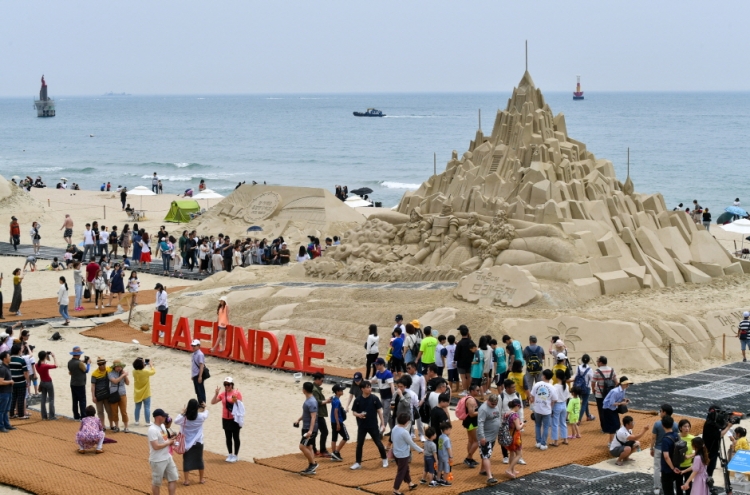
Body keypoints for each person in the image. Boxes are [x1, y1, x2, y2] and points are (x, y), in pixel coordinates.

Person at [350, 380, 388, 470]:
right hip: (362, 426)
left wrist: (383, 424)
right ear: (362, 389)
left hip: (373, 425)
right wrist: (359, 415)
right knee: (359, 444)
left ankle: (384, 459)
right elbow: (354, 412)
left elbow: (380, 412)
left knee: (378, 443)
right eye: (367, 387)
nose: (369, 389)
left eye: (370, 387)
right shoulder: (358, 400)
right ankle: (358, 462)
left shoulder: (374, 398)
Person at [174, 398, 209, 485]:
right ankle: (201, 479)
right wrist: (205, 407)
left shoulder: (184, 418)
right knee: (199, 460)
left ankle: (186, 480)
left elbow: (176, 421)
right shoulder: (200, 417)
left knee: (186, 460)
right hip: (198, 441)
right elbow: (206, 414)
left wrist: (182, 412)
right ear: (197, 407)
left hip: (186, 443)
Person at [211, 376, 243, 462]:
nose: (227, 386)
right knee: (228, 437)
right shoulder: (222, 394)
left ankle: (235, 455)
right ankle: (230, 454)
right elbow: (213, 402)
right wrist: (216, 394)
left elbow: (238, 405)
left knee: (235, 437)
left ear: (232, 385)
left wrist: (234, 397)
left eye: (228, 384)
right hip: (225, 418)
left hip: (234, 418)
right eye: (225, 385)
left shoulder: (237, 393)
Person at [651, 404, 679, 494]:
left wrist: (651, 448)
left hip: (659, 449)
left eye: (661, 411)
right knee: (670, 469)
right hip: (670, 451)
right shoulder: (675, 424)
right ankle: (671, 487)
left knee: (657, 468)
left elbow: (653, 438)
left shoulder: (657, 424)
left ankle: (657, 488)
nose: (660, 412)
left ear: (664, 412)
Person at [149, 408, 178, 495]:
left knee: (173, 478)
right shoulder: (152, 430)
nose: (165, 417)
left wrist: (171, 440)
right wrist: (168, 442)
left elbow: (164, 440)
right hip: (158, 460)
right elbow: (156, 446)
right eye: (163, 416)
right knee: (157, 483)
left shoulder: (162, 427)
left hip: (167, 457)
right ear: (158, 417)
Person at [392, 412, 422, 494]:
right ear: (406, 422)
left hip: (396, 453)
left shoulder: (394, 428)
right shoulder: (404, 432)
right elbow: (411, 443)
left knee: (405, 469)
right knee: (401, 472)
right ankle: (396, 490)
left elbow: (392, 439)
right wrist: (420, 450)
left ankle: (410, 483)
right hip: (403, 455)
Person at [703, 404, 734, 477]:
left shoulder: (713, 422)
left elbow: (721, 427)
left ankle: (708, 483)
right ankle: (706, 485)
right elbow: (719, 434)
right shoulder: (709, 424)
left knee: (711, 468)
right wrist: (728, 427)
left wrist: (726, 424)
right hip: (709, 450)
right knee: (709, 469)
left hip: (714, 449)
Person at [477, 392, 501, 485]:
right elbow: (480, 423)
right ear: (488, 401)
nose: (494, 406)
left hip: (493, 435)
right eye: (492, 404)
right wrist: (482, 436)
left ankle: (483, 470)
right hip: (485, 437)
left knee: (487, 454)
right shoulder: (483, 409)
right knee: (486, 455)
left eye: (495, 404)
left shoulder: (495, 406)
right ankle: (489, 477)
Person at [297, 382, 320, 474]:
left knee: (302, 446)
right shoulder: (309, 400)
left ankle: (313, 464)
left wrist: (310, 430)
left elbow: (313, 417)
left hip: (309, 429)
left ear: (304, 390)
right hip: (306, 427)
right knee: (309, 447)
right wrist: (299, 419)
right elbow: (306, 413)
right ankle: (312, 468)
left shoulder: (311, 402)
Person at [602, 376, 633, 443]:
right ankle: (611, 442)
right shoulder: (615, 391)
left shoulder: (623, 390)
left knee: (616, 424)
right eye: (626, 384)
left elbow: (620, 398)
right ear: (622, 384)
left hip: (613, 408)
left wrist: (625, 400)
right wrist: (622, 403)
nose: (628, 385)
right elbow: (612, 403)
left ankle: (614, 441)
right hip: (608, 409)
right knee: (613, 426)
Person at [530, 369, 554, 450]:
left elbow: (532, 396)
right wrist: (550, 406)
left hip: (537, 409)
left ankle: (538, 442)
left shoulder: (537, 384)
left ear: (544, 376)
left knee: (537, 425)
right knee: (546, 427)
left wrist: (533, 404)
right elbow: (555, 399)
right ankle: (543, 444)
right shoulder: (552, 387)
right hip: (547, 410)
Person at [593, 356, 616, 432]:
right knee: (611, 410)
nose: (597, 363)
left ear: (601, 362)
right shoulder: (612, 370)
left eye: (598, 361)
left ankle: (604, 428)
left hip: (600, 395)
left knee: (601, 411)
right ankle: (612, 426)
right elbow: (616, 382)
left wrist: (594, 391)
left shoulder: (597, 371)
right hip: (610, 394)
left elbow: (593, 382)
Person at [311, 372, 331, 457]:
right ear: (317, 380)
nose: (322, 382)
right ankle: (322, 450)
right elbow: (317, 402)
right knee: (324, 432)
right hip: (318, 414)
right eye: (322, 380)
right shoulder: (315, 390)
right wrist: (326, 401)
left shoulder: (315, 388)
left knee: (315, 433)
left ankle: (314, 450)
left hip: (316, 414)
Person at [373, 357, 395, 431]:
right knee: (388, 415)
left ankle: (380, 431)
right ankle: (393, 430)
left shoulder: (388, 374)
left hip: (388, 398)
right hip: (382, 397)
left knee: (385, 414)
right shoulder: (378, 373)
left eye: (377, 365)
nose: (376, 366)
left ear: (382, 365)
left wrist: (393, 400)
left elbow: (392, 386)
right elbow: (372, 380)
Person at [108, 359, 130, 432]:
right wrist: (123, 375)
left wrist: (125, 376)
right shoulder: (110, 373)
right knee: (114, 411)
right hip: (114, 393)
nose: (119, 368)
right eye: (117, 366)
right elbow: (115, 381)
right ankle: (117, 426)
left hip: (122, 393)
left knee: (124, 411)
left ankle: (126, 427)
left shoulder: (122, 373)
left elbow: (127, 383)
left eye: (120, 366)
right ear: (114, 367)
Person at [133, 357, 155, 426]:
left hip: (137, 393)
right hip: (146, 393)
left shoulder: (134, 372)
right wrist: (151, 365)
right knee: (147, 407)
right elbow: (153, 372)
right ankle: (147, 422)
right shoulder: (145, 372)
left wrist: (142, 365)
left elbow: (139, 370)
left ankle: (136, 421)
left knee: (137, 408)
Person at [574, 354, 595, 423]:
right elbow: (592, 379)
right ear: (589, 360)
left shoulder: (578, 367)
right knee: (584, 402)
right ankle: (579, 419)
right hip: (586, 388)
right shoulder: (589, 369)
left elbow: (576, 376)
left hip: (578, 387)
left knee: (584, 401)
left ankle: (588, 416)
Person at [551, 368, 570, 446]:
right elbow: (567, 397)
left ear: (557, 376)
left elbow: (554, 399)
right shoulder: (566, 386)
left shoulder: (555, 386)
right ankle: (565, 439)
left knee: (555, 423)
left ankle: (555, 441)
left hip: (557, 405)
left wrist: (551, 407)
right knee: (563, 423)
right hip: (564, 405)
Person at [36, 350, 57, 420]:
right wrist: (54, 357)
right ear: (44, 357)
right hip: (48, 382)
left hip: (42, 382)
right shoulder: (45, 366)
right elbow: (56, 365)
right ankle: (51, 416)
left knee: (43, 399)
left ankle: (44, 416)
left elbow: (43, 363)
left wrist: (46, 356)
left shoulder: (37, 365)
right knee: (51, 399)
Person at [68, 346, 88, 420]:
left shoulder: (70, 362)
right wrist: (88, 364)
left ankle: (76, 416)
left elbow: (72, 369)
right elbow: (86, 370)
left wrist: (82, 361)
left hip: (73, 383)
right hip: (80, 384)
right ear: (79, 354)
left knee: (75, 400)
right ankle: (83, 415)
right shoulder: (79, 363)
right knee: (82, 400)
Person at [329, 383, 348, 461]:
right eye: (341, 390)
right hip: (338, 421)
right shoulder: (337, 401)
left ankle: (334, 454)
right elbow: (336, 412)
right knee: (346, 437)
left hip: (332, 421)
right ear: (337, 392)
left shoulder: (333, 398)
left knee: (334, 437)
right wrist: (338, 423)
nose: (342, 391)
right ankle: (336, 452)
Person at [9, 344, 28, 419]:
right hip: (21, 382)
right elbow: (25, 372)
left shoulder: (9, 359)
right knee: (20, 398)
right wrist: (27, 381)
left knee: (12, 398)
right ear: (19, 351)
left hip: (11, 382)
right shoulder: (21, 360)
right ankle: (21, 415)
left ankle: (11, 414)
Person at [455, 325, 474, 396]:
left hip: (461, 363)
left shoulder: (460, 343)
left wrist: (455, 360)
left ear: (460, 332)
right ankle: (469, 390)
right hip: (469, 362)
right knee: (469, 376)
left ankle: (465, 390)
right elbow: (474, 351)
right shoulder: (471, 342)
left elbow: (456, 355)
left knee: (463, 377)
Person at [677, 419, 695, 490]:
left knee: (688, 486)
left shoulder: (692, 438)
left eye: (688, 426)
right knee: (678, 486)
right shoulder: (676, 437)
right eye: (685, 426)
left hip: (688, 466)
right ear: (680, 428)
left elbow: (699, 450)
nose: (687, 428)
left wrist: (689, 456)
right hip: (678, 466)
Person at [436, 421, 453, 486]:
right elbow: (449, 448)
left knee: (440, 468)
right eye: (449, 430)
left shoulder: (440, 437)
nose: (450, 431)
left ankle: (438, 479)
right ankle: (445, 481)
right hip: (446, 457)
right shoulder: (447, 439)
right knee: (447, 469)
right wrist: (451, 457)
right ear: (445, 430)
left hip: (440, 455)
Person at [190, 339, 206, 405]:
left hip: (198, 375)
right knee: (197, 391)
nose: (193, 347)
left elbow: (201, 366)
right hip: (195, 375)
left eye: (194, 346)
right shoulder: (194, 354)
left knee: (200, 390)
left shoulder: (200, 354)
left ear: (198, 346)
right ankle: (200, 403)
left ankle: (203, 404)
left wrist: (200, 376)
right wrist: (192, 375)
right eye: (192, 345)